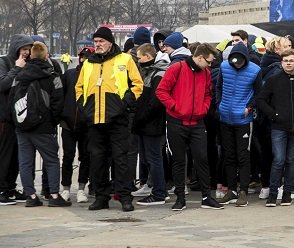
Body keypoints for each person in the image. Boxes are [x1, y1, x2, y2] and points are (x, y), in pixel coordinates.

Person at [76, 27, 143, 212]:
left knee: (120, 160)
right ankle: (101, 196)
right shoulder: (88, 63)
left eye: (101, 41)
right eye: (95, 41)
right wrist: (84, 107)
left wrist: (125, 103)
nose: (98, 44)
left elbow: (138, 84)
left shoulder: (125, 59)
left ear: (110, 42)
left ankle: (124, 196)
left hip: (118, 119)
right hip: (95, 120)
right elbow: (79, 87)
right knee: (98, 160)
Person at [155, 43, 222, 211]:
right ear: (200, 57)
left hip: (197, 122)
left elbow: (208, 94)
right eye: (209, 61)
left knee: (202, 159)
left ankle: (207, 197)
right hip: (176, 122)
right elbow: (161, 91)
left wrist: (204, 108)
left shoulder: (205, 72)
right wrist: (175, 107)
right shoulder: (176, 68)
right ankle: (180, 198)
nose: (210, 65)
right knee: (179, 161)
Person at [11, 42, 69, 207]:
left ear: (30, 55)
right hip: (44, 127)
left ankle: (31, 195)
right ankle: (54, 195)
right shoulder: (52, 76)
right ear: (46, 55)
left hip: (22, 126)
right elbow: (58, 101)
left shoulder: (20, 75)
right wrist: (52, 120)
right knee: (51, 160)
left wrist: (17, 121)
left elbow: (12, 100)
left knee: (25, 161)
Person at [257, 50, 294, 207]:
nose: (289, 63)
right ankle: (272, 195)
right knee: (278, 160)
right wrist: (273, 115)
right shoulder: (273, 80)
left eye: (292, 60)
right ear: (281, 62)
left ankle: (287, 194)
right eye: (286, 60)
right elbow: (261, 100)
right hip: (278, 127)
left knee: (290, 160)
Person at [216, 42, 261, 207]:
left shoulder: (255, 71)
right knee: (229, 155)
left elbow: (258, 93)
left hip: (243, 119)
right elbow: (219, 87)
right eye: (234, 60)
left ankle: (243, 191)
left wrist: (249, 107)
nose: (236, 63)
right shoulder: (224, 67)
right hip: (225, 118)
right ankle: (231, 190)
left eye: (240, 61)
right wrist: (219, 104)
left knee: (243, 156)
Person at [131, 43, 169, 206]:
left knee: (154, 158)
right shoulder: (149, 71)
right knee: (150, 158)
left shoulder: (157, 74)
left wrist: (139, 118)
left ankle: (159, 193)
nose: (138, 61)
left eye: (139, 58)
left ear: (147, 57)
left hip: (152, 124)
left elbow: (154, 103)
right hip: (146, 123)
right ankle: (158, 190)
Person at [0, 34, 34, 205]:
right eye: (24, 49)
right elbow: (3, 84)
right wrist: (17, 68)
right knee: (4, 155)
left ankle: (10, 187)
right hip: (4, 117)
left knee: (15, 156)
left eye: (29, 49)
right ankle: (1, 189)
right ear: (16, 49)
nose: (27, 52)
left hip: (18, 117)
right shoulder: (4, 62)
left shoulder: (26, 64)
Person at [59, 47, 91, 203]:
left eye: (87, 57)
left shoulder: (93, 76)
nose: (83, 60)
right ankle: (65, 188)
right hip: (68, 123)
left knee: (85, 157)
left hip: (86, 124)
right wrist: (62, 115)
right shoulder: (70, 74)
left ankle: (81, 189)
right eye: (82, 57)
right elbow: (61, 96)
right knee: (68, 156)